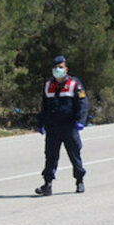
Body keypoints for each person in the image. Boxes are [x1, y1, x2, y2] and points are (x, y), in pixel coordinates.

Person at [34, 55, 88, 196]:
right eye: (55, 68)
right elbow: (44, 106)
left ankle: (79, 181)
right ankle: (47, 184)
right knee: (50, 157)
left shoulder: (74, 84)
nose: (58, 70)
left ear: (66, 69)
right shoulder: (48, 85)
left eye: (61, 67)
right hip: (53, 128)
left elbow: (82, 104)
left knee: (74, 155)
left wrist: (81, 121)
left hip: (69, 127)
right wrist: (40, 123)